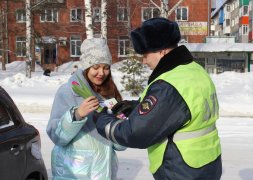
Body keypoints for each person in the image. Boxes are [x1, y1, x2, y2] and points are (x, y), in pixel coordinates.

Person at [94, 18, 222, 180]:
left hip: (181, 170)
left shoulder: (168, 85)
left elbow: (135, 133)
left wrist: (102, 120)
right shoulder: (194, 70)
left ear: (162, 51)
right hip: (206, 163)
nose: (144, 60)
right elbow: (179, 108)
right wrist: (135, 107)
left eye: (146, 54)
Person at [46, 38, 125, 180]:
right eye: (96, 67)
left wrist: (121, 126)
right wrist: (77, 115)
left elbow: (120, 146)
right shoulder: (68, 92)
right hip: (75, 173)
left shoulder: (110, 94)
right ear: (86, 67)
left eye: (106, 67)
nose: (101, 73)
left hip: (105, 172)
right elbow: (56, 137)